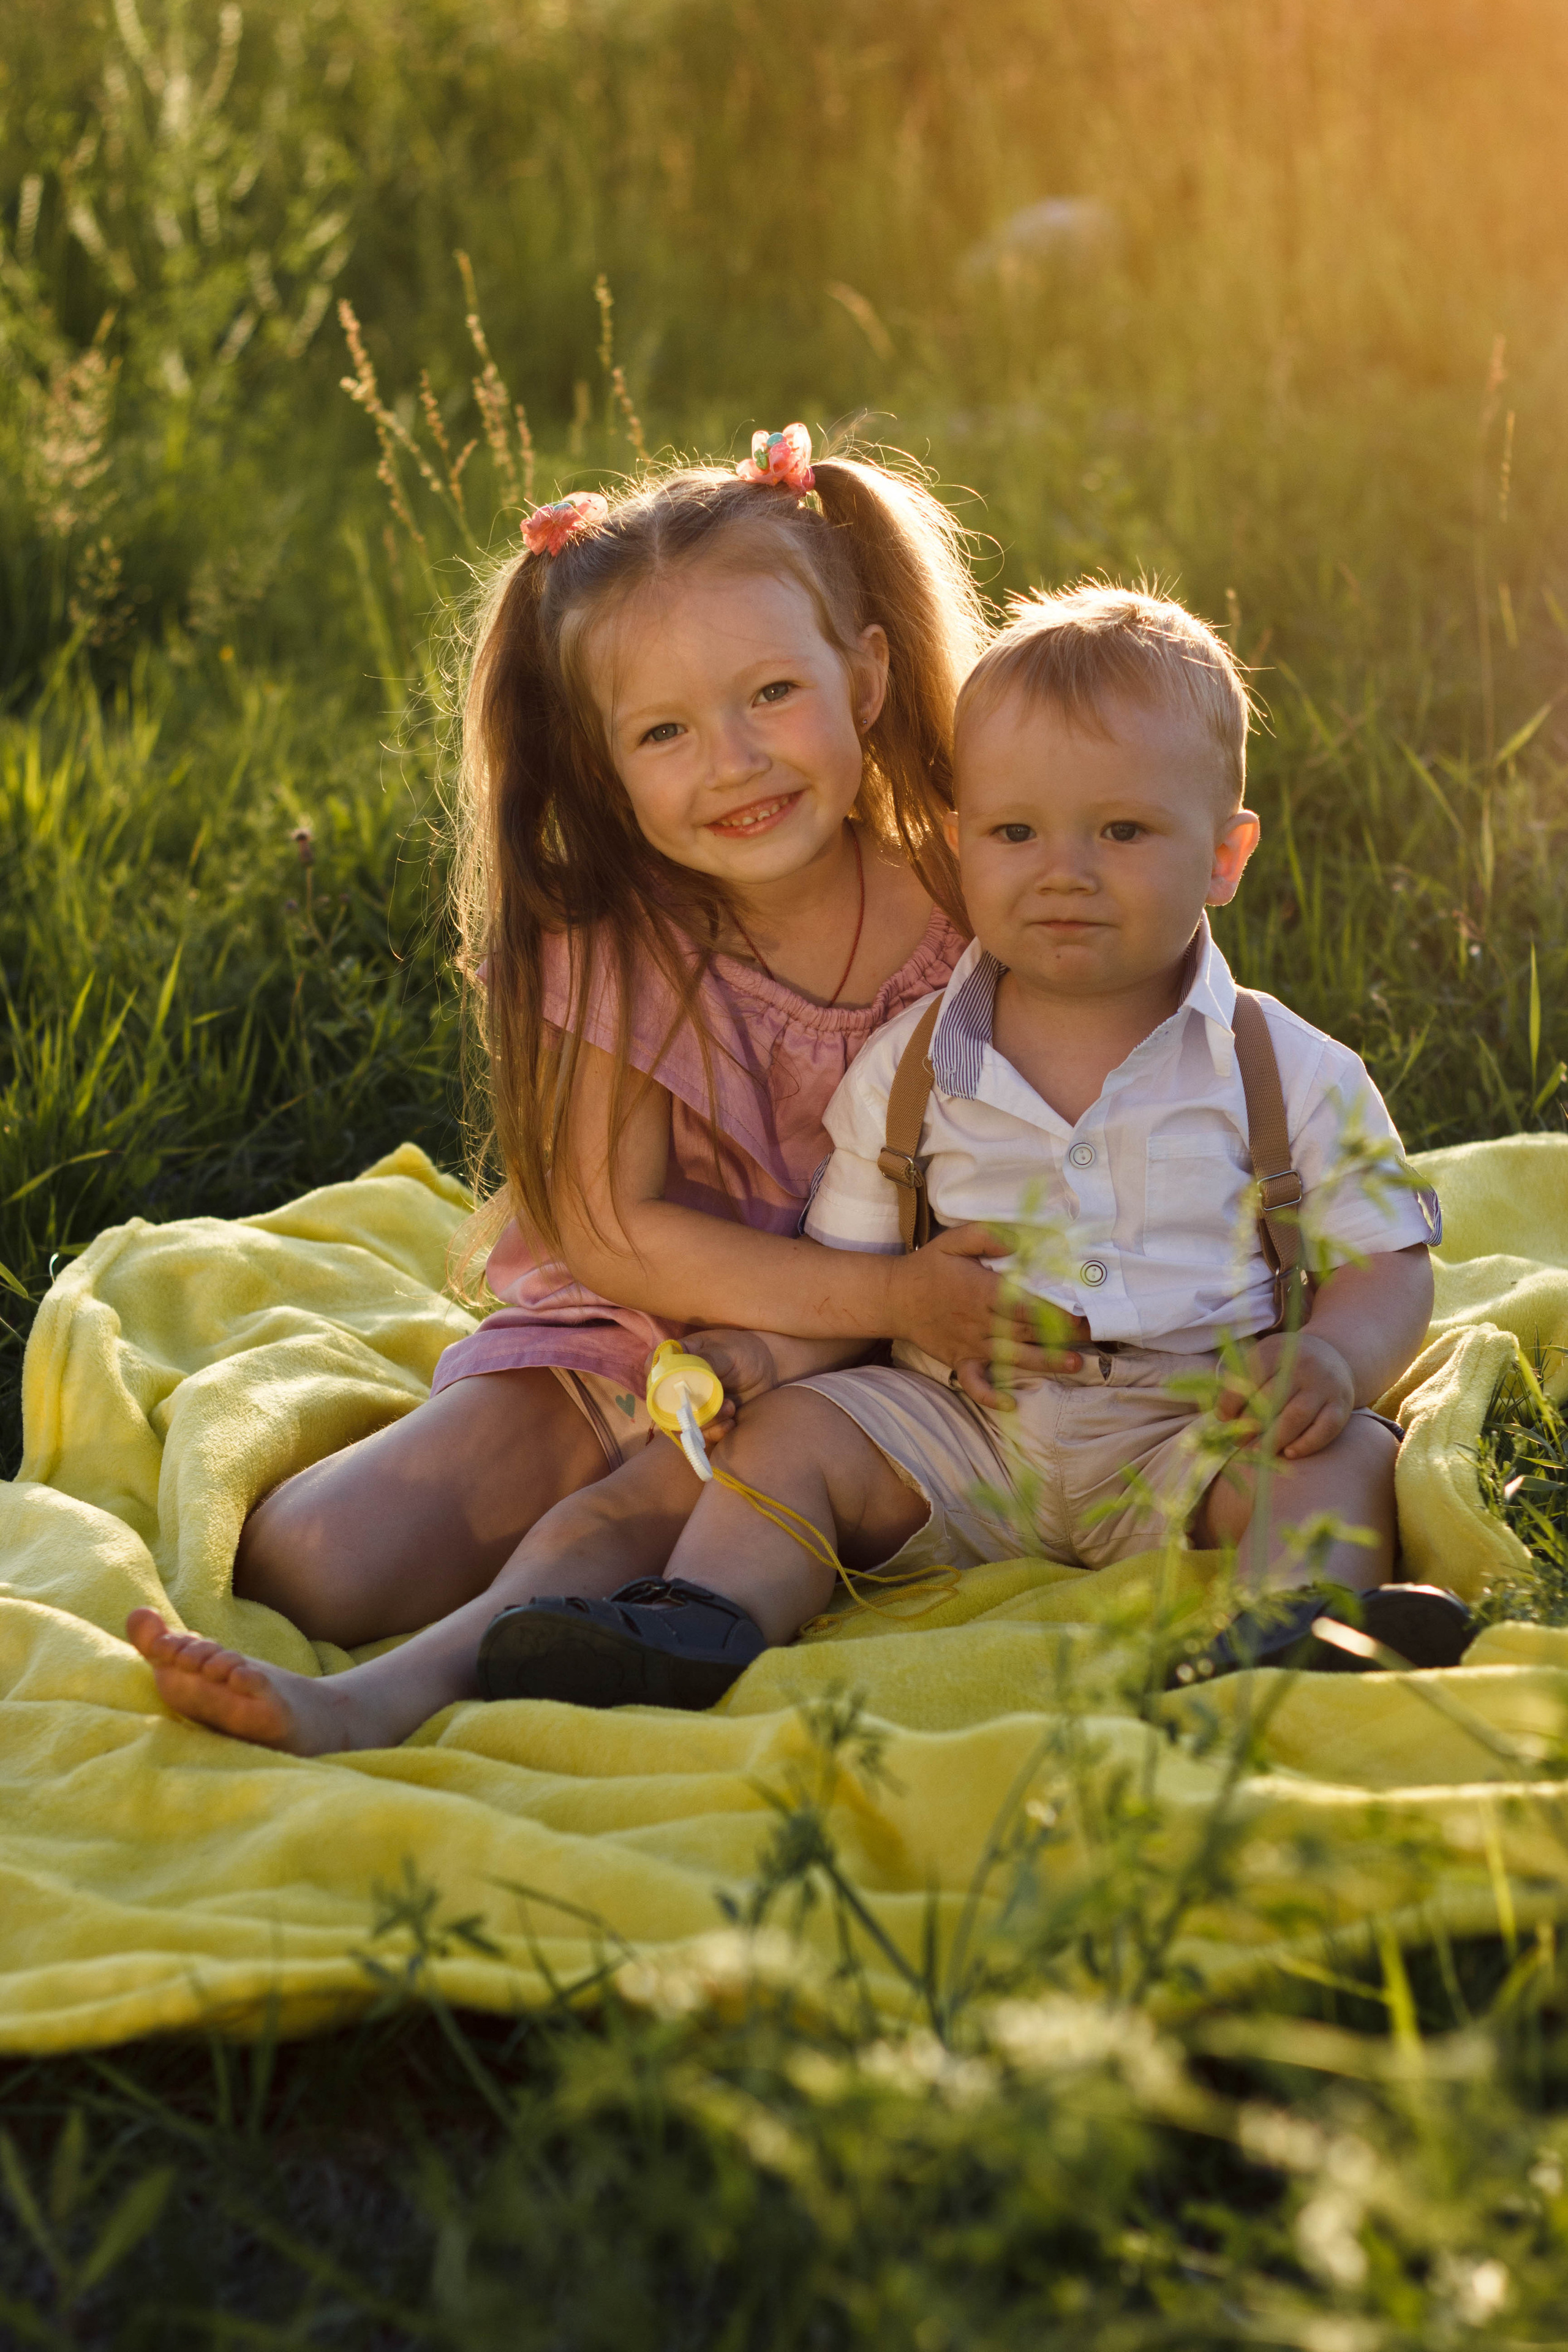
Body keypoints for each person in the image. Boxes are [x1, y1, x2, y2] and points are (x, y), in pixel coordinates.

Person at [126, 430, 1077, 1751]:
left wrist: (893, 1314)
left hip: (877, 1363)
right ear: (599, 763)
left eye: (768, 695)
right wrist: (842, 1309)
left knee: (615, 1523)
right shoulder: (616, 943)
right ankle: (577, 1529)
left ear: (861, 678)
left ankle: (394, 1700)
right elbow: (610, 1231)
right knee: (315, 1563)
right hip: (634, 1335)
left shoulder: (967, 902)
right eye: (664, 731)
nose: (732, 762)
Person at [468, 582, 1469, 1710]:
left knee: (1343, 1456)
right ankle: (699, 1621)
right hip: (962, 1428)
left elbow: (1389, 1257)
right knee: (798, 1437)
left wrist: (1334, 1360)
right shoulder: (906, 1071)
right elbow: (856, 1285)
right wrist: (765, 1360)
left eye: (1124, 831)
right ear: (962, 845)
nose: (1065, 871)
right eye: (1015, 833)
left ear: (1225, 857)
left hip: (1194, 1421)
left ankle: (1297, 1624)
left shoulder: (1288, 1068)